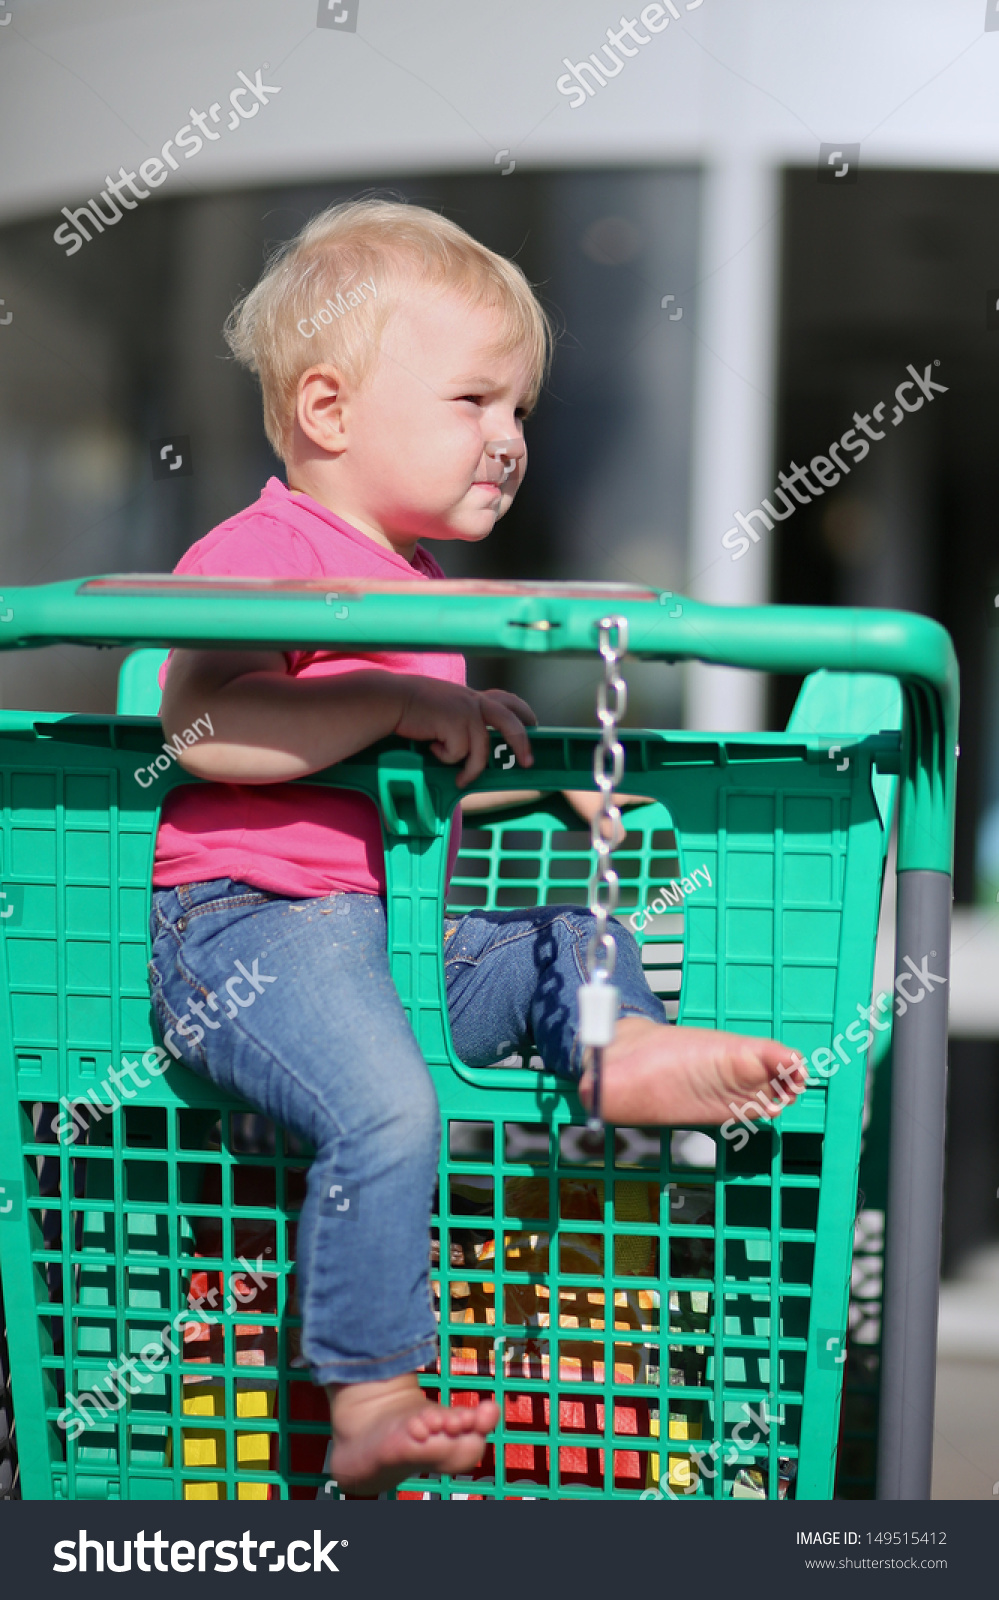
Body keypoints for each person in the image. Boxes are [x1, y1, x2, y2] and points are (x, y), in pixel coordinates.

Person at [147, 198, 805, 1496]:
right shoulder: (270, 550)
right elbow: (209, 724)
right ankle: (372, 1392)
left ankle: (623, 1048)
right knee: (393, 1108)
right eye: (473, 402)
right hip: (246, 929)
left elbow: (382, 786)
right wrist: (400, 703)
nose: (507, 442)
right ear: (330, 413)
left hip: (386, 938)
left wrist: (503, 773)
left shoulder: (416, 589)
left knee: (570, 928)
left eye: (519, 413)